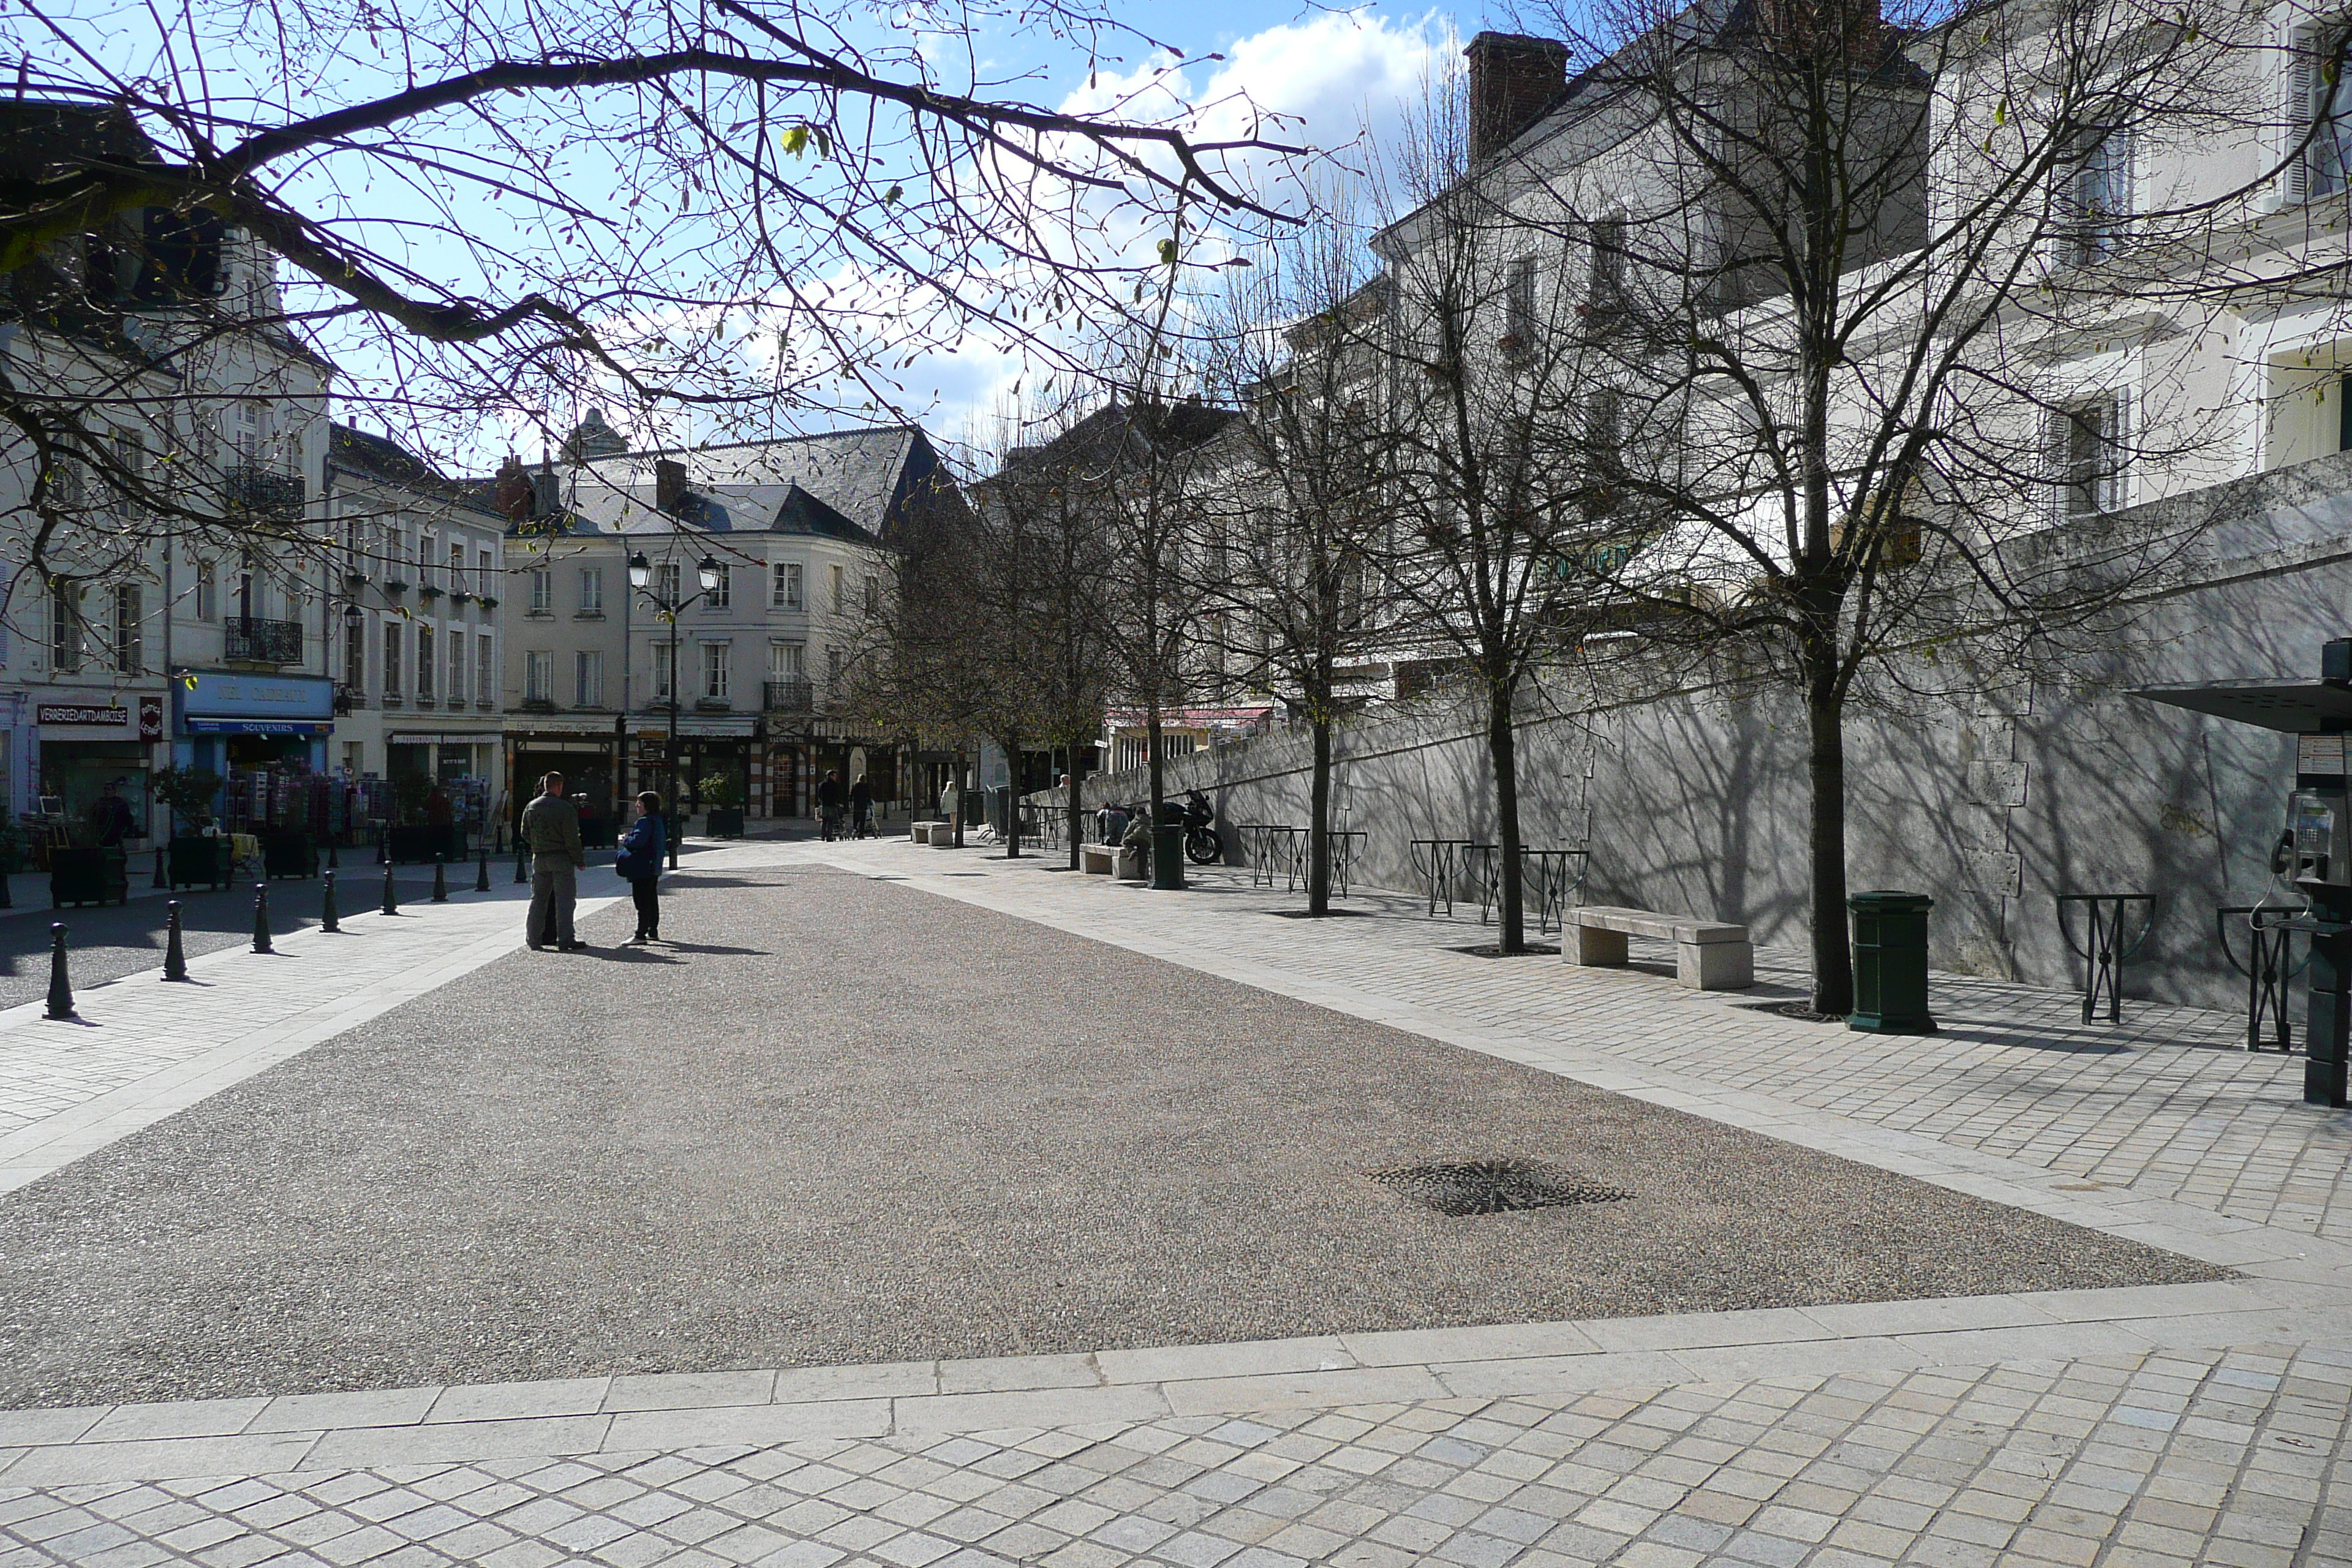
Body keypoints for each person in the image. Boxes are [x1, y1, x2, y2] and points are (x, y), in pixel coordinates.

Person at [520, 771, 589, 951]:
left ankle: (533, 938)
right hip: (560, 857)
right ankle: (566, 939)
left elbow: (524, 832)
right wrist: (579, 860)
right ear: (559, 786)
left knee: (538, 900)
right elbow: (572, 838)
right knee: (565, 900)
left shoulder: (531, 806)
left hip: (539, 857)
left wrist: (537, 844)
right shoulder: (565, 808)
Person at [616, 791, 666, 943]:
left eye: (640, 803)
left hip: (642, 867)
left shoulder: (644, 822)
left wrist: (626, 839)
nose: (637, 806)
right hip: (653, 865)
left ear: (646, 805)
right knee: (651, 899)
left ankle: (640, 933)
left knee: (642, 900)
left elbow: (637, 842)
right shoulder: (657, 820)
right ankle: (653, 930)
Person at [816, 769, 845, 840]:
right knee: (831, 821)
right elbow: (838, 795)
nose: (835, 777)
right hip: (832, 805)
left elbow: (819, 795)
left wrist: (821, 802)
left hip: (824, 805)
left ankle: (823, 835)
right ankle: (829, 836)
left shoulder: (822, 784)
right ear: (830, 776)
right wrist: (838, 802)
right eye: (834, 776)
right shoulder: (835, 785)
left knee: (824, 820)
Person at [848, 773, 873, 838]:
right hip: (863, 805)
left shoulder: (855, 786)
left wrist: (851, 803)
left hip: (856, 805)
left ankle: (855, 829)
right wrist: (870, 802)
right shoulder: (866, 786)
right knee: (862, 820)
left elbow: (851, 795)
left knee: (856, 819)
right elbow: (869, 795)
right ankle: (861, 833)